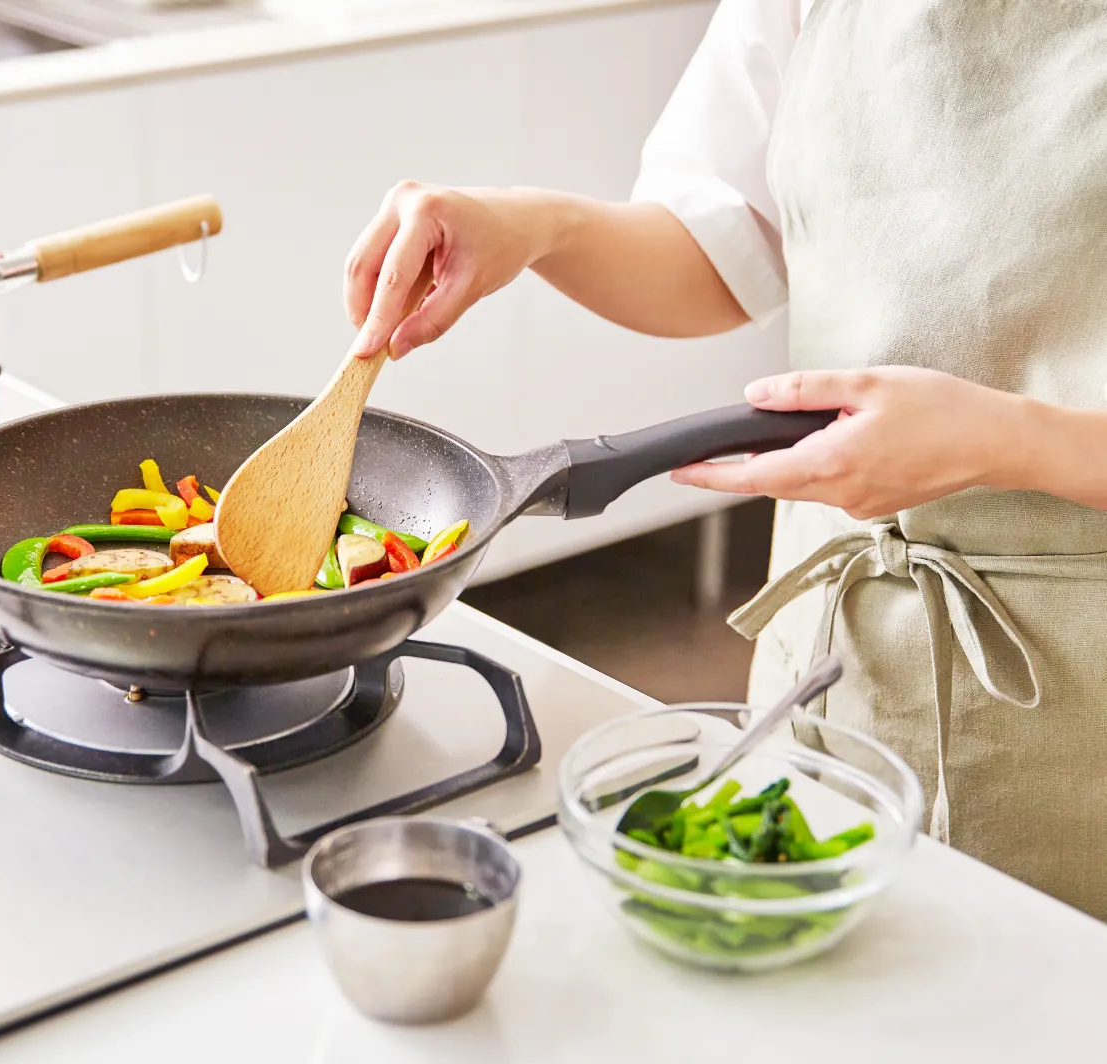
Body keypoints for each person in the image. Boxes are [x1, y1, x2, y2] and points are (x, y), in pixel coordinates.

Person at [342, 0, 1107, 920]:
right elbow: (722, 245)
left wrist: (1011, 441)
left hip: (1079, 691)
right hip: (838, 644)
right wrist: (537, 225)